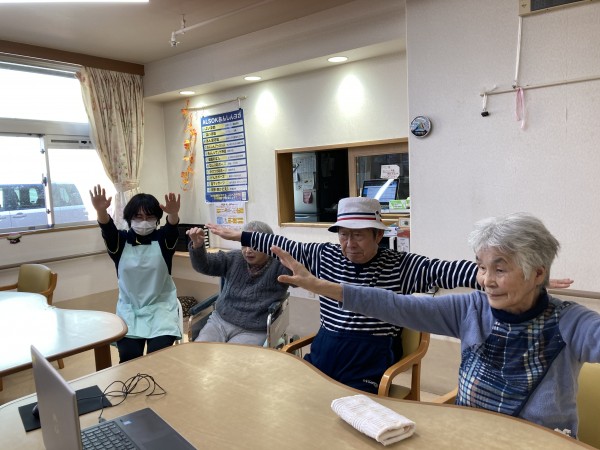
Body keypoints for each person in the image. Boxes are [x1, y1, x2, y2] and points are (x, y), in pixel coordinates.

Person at [270, 212, 596, 437]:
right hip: (470, 435)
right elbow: (396, 305)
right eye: (482, 267)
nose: (486, 280)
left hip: (539, 441)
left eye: (500, 269)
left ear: (538, 273)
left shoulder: (570, 321)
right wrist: (321, 286)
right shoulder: (471, 308)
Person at [207, 198, 573, 394]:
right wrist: (241, 236)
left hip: (372, 354)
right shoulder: (324, 255)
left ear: (378, 236)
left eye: (358, 235)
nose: (349, 243)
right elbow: (280, 242)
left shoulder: (402, 265)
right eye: (344, 235)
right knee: (306, 399)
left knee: (353, 412)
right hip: (327, 345)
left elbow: (450, 270)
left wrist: (521, 279)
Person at [90, 184, 182, 363]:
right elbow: (107, 229)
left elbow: (172, 228)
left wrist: (173, 214)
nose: (144, 221)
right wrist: (101, 211)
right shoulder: (120, 241)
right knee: (129, 357)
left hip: (161, 309)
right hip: (129, 310)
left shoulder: (163, 239)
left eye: (150, 217)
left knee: (158, 358)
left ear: (157, 219)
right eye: (138, 217)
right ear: (129, 218)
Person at [186, 221, 290, 345]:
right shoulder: (233, 258)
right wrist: (197, 246)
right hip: (220, 320)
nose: (248, 251)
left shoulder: (279, 265)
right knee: (200, 350)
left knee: (232, 356)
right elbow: (204, 265)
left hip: (254, 329)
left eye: (253, 245)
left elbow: (298, 276)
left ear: (267, 244)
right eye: (244, 245)